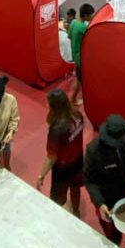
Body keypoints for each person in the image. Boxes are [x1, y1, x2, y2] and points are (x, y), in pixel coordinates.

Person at [83, 114, 125, 243]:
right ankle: (114, 240)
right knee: (113, 235)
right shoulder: (93, 150)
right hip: (106, 197)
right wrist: (100, 203)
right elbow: (89, 180)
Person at [35, 89, 85, 217]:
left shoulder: (56, 129)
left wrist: (41, 176)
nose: (47, 105)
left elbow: (51, 156)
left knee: (58, 200)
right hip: (78, 160)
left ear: (55, 106)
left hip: (63, 168)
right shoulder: (78, 115)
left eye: (49, 103)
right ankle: (76, 212)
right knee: (75, 187)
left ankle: (68, 222)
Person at [68, 3, 94, 107]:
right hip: (81, 57)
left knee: (78, 77)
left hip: (74, 54)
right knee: (79, 80)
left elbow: (69, 36)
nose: (91, 17)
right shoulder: (83, 27)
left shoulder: (73, 22)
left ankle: (73, 96)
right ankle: (73, 99)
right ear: (86, 15)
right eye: (90, 15)